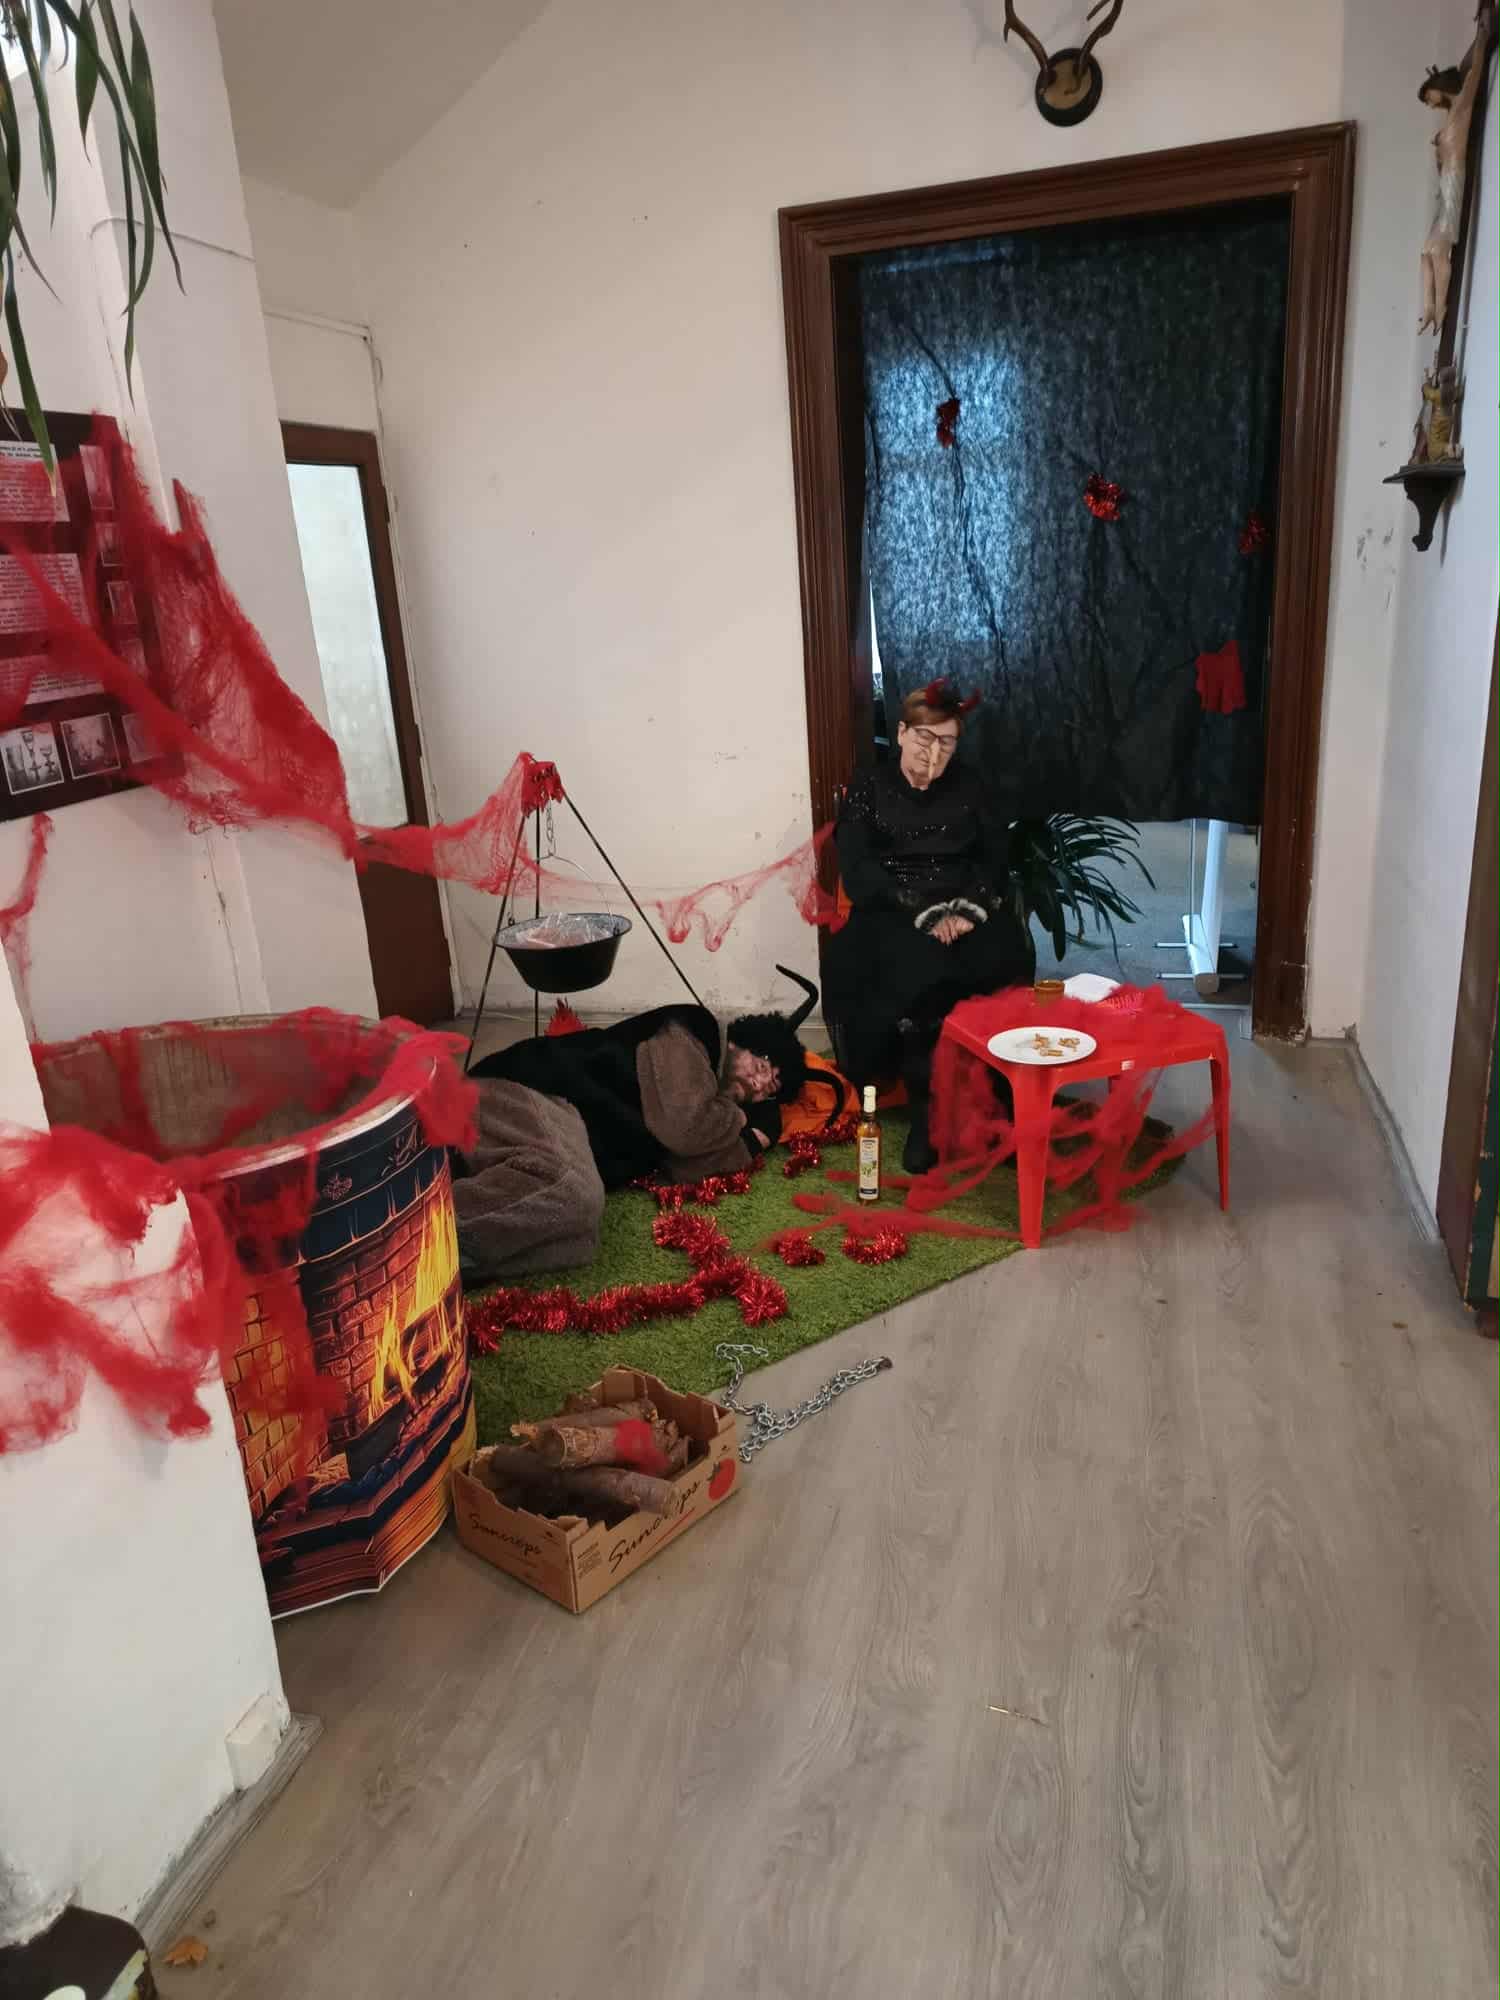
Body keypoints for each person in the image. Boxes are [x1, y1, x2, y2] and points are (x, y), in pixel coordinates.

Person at [825, 679, 1034, 1172]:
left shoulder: (972, 785)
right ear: (901, 733)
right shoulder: (869, 786)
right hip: (893, 908)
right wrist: (919, 907)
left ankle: (998, 1108)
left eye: (947, 741)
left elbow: (993, 859)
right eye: (924, 737)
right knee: (917, 970)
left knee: (1003, 956)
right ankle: (928, 1115)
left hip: (962, 906)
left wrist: (969, 909)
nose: (934, 751)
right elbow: (857, 866)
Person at [466, 966, 816, 1190]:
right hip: (517, 1093)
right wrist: (740, 1119)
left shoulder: (702, 1112)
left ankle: (445, 1241)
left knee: (572, 1205)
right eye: (762, 1066)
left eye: (770, 1088)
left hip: (551, 1142)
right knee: (575, 1198)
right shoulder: (693, 1032)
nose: (758, 1084)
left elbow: (682, 1169)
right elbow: (686, 1130)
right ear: (739, 1043)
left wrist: (752, 1143)